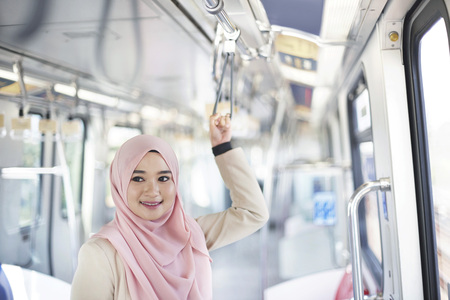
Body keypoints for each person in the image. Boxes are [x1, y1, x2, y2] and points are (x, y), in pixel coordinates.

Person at [70, 113, 269, 300]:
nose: (153, 190)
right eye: (138, 178)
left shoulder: (189, 235)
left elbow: (253, 212)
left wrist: (222, 148)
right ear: (119, 184)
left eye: (164, 178)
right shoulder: (100, 254)